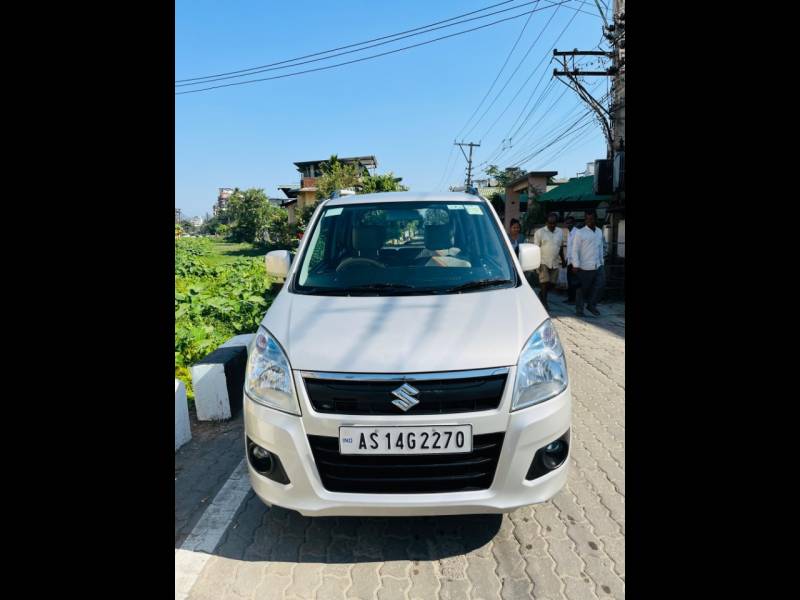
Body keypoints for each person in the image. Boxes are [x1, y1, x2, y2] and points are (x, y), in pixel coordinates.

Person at [571, 210, 605, 317]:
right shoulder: (580, 233)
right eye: (587, 219)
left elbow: (600, 248)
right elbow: (575, 250)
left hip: (598, 265)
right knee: (582, 289)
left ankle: (591, 305)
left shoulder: (599, 231)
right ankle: (579, 309)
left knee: (600, 285)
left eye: (591, 219)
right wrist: (575, 265)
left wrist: (602, 261)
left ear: (596, 219)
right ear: (585, 220)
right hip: (584, 266)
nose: (589, 221)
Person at [532, 212, 564, 310]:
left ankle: (541, 294)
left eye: (554, 223)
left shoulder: (560, 231)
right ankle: (545, 303)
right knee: (544, 282)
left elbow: (561, 246)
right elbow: (536, 248)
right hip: (543, 261)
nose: (552, 225)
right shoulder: (539, 232)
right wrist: (535, 263)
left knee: (552, 283)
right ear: (546, 222)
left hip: (555, 261)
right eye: (550, 223)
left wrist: (563, 259)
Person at [564, 216, 580, 304]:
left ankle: (573, 300)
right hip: (569, 261)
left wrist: (575, 264)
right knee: (569, 281)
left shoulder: (577, 233)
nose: (568, 224)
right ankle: (570, 298)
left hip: (575, 262)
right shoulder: (569, 233)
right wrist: (566, 259)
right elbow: (569, 248)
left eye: (570, 222)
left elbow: (577, 249)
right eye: (567, 223)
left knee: (574, 282)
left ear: (574, 223)